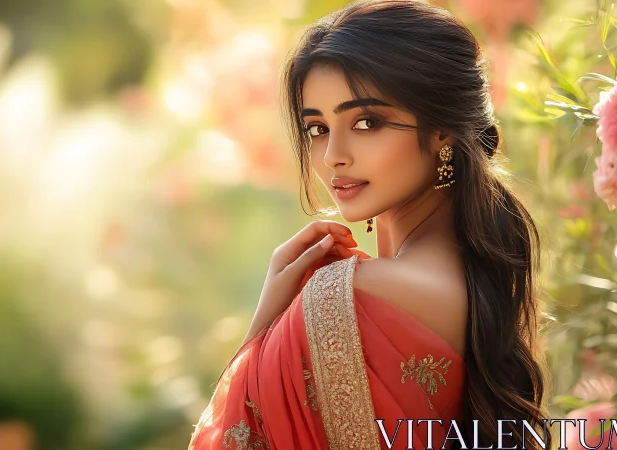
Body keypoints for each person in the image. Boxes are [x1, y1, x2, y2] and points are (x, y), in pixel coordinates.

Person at [187, 1, 550, 448]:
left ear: (443, 130)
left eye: (365, 122)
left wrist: (263, 327)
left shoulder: (354, 294)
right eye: (317, 128)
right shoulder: (476, 281)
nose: (333, 155)